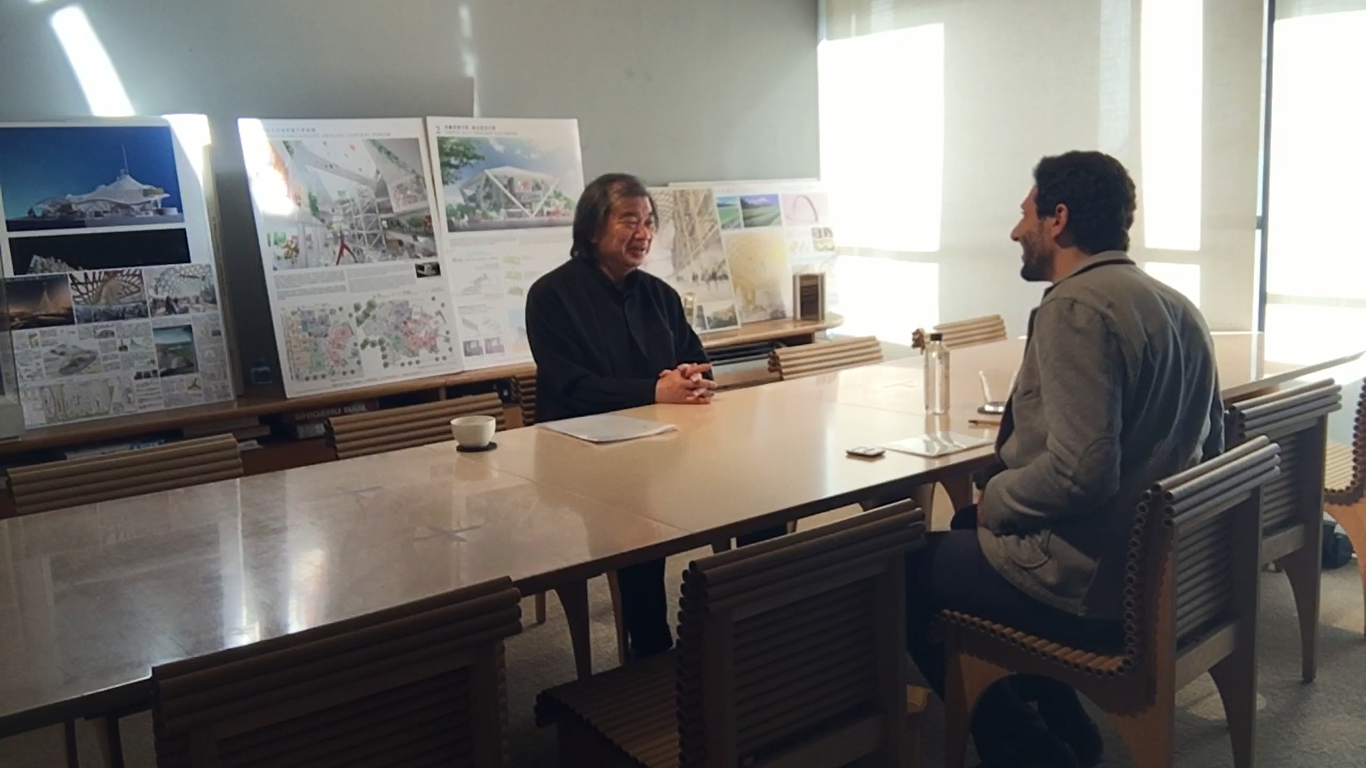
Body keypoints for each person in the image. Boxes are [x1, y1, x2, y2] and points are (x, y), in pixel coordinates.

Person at [904, 151, 1225, 768]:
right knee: (966, 532)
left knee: (903, 569)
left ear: (1059, 218)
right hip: (1156, 572)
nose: (1014, 231)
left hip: (1092, 583)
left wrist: (998, 498)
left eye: (1025, 213)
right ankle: (1062, 726)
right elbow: (1208, 444)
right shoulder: (1178, 305)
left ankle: (1026, 751)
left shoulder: (1074, 309)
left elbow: (1083, 471)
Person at [527, 173, 762, 659]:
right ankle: (652, 655)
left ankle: (753, 629)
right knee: (637, 525)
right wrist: (656, 390)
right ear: (592, 229)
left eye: (649, 222)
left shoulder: (658, 295)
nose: (644, 233)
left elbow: (696, 358)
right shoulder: (550, 296)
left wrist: (694, 378)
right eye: (629, 221)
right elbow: (573, 386)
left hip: (667, 444)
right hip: (583, 455)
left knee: (760, 494)